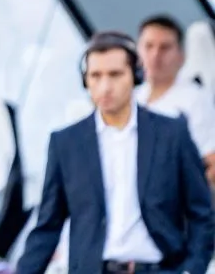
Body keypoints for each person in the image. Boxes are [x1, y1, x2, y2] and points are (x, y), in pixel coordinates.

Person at [17, 31, 214, 274]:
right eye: (95, 76)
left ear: (136, 76)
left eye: (115, 74)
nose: (105, 86)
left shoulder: (172, 134)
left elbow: (201, 213)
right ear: (85, 80)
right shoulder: (66, 143)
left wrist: (191, 270)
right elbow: (48, 226)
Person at [135, 14, 215, 184]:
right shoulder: (131, 98)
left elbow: (211, 161)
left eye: (165, 48)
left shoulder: (194, 99)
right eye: (148, 46)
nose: (155, 55)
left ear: (181, 56)